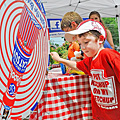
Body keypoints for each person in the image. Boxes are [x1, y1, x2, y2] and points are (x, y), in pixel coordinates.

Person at [50, 19, 120, 120]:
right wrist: (59, 60)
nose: (82, 47)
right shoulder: (90, 60)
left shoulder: (108, 55)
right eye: (80, 43)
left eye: (86, 42)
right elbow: (76, 65)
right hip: (100, 115)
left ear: (100, 39)